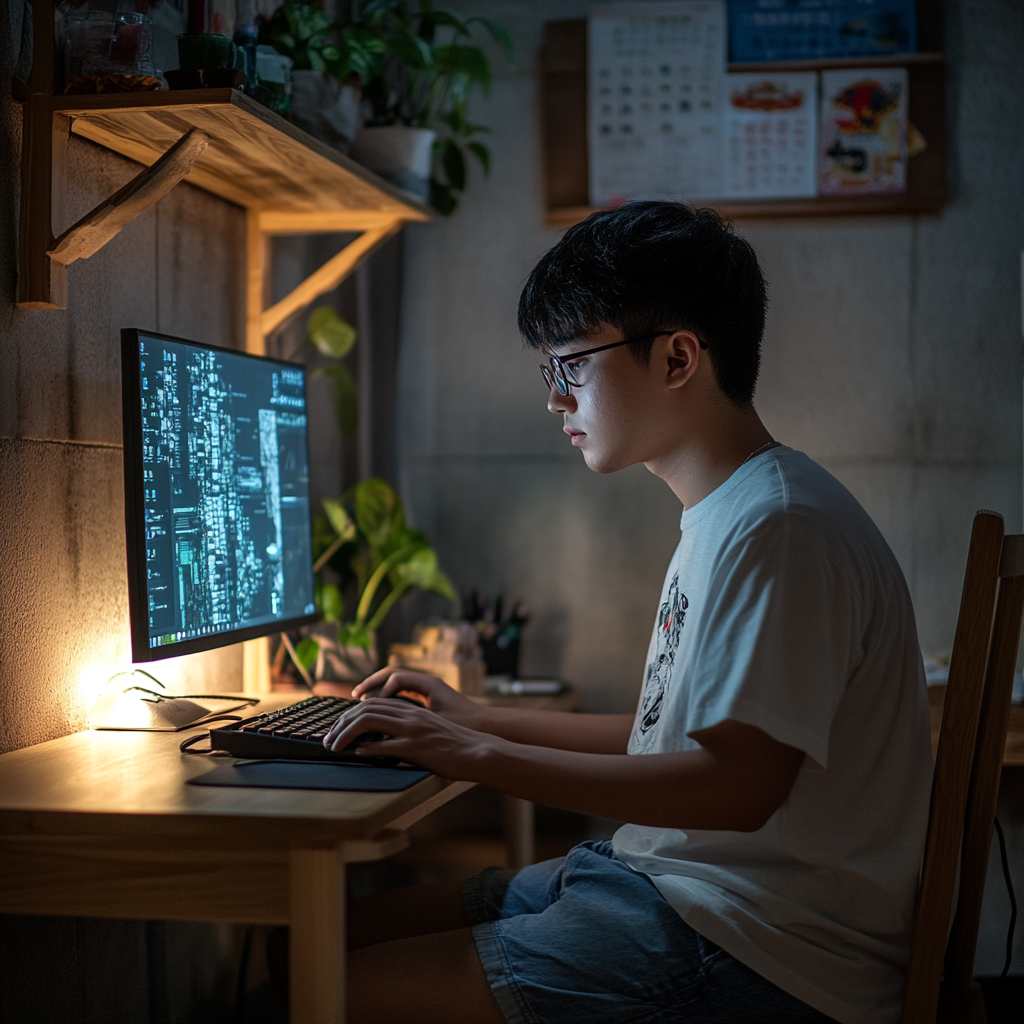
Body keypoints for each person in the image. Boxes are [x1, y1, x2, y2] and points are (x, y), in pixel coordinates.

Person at [320, 201, 934, 1024]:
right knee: (323, 934)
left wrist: (477, 754)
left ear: (678, 357)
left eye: (570, 364)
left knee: (311, 990)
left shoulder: (777, 527)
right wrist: (480, 719)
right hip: (672, 889)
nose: (555, 399)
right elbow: (669, 738)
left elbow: (738, 788)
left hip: (756, 947)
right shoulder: (734, 511)